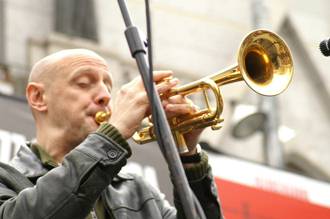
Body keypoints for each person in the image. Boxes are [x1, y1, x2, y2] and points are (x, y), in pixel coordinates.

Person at [0, 49, 223, 219]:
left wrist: (188, 156)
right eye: (84, 83)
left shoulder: (139, 191)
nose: (105, 96)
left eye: (108, 86)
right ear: (38, 97)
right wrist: (112, 134)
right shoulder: (6, 182)